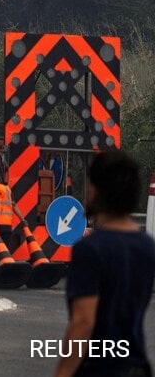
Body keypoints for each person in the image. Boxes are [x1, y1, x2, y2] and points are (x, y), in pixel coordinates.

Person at [55, 148, 155, 377]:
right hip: (138, 366)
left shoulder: (90, 249)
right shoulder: (147, 246)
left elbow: (83, 322)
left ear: (94, 189)